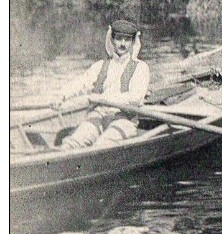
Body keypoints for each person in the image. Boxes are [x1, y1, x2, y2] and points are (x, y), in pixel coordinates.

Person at [51, 19, 151, 149]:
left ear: (132, 42)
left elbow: (136, 98)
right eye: (119, 39)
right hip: (97, 115)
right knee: (72, 143)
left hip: (124, 119)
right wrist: (62, 95)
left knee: (102, 146)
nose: (122, 44)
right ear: (112, 40)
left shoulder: (141, 68)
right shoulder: (100, 66)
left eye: (127, 40)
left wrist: (102, 98)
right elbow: (81, 82)